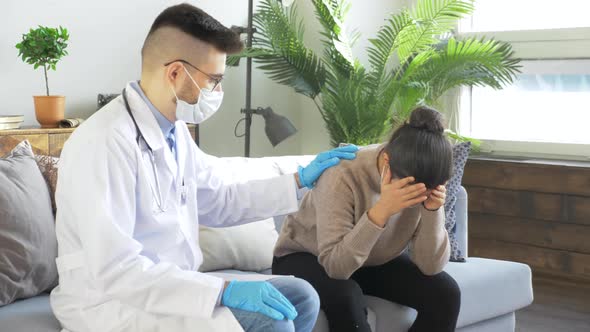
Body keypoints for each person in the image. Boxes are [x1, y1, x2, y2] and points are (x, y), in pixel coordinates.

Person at [50, 4, 359, 332]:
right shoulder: (104, 142)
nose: (218, 92)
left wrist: (298, 181)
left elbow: (217, 199)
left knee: (302, 297)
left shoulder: (174, 130)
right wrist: (223, 291)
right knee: (276, 321)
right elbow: (116, 269)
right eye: (213, 80)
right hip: (113, 301)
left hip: (171, 287)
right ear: (175, 74)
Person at [272, 106, 461, 332]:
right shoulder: (342, 174)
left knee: (445, 294)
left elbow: (430, 267)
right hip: (307, 257)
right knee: (347, 296)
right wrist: (382, 210)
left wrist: (432, 210)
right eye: (410, 190)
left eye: (428, 189)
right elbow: (336, 268)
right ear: (387, 162)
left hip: (369, 259)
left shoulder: (424, 181)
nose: (416, 199)